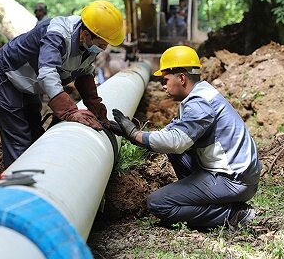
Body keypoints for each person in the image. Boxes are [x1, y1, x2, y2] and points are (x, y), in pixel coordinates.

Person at [109, 45, 261, 231]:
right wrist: (131, 133)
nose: (162, 85)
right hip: (233, 173)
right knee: (176, 153)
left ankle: (233, 214)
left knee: (158, 203)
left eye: (165, 80)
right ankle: (207, 199)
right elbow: (171, 133)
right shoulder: (201, 94)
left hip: (233, 180)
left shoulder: (200, 104)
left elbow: (176, 141)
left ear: (181, 78)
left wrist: (134, 135)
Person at [0, 0, 125, 166]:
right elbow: (47, 71)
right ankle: (18, 184)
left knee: (35, 132)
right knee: (19, 139)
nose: (103, 49)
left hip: (30, 81)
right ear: (86, 35)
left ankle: (41, 173)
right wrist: (69, 110)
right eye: (101, 44)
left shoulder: (88, 42)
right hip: (6, 74)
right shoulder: (57, 33)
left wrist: (95, 107)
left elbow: (84, 72)